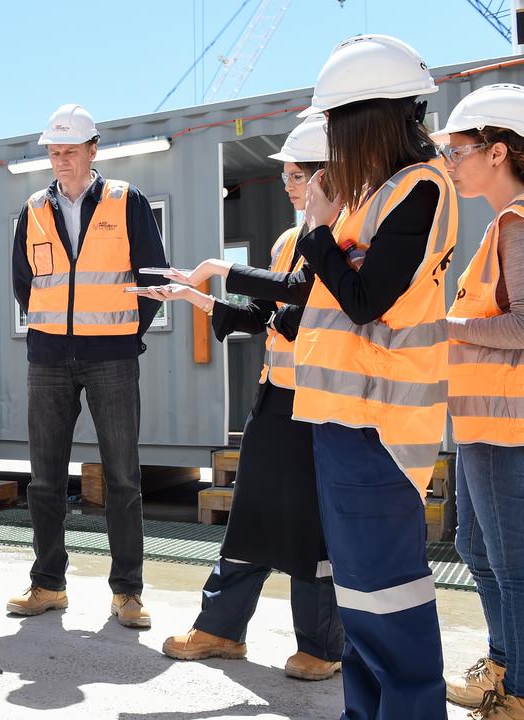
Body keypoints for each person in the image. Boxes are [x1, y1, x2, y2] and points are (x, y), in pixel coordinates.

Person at [282, 34, 456, 718]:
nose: (328, 140)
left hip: (380, 429)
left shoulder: (419, 187)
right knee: (360, 601)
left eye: (332, 123)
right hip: (340, 423)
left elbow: (366, 301)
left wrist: (320, 232)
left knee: (389, 597)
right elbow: (325, 303)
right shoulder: (373, 195)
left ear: (366, 118)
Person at [139, 115, 344, 682]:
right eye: (287, 173)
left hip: (326, 404)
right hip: (276, 400)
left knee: (311, 525)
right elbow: (261, 317)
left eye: (299, 173)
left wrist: (223, 268)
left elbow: (304, 311)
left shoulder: (345, 237)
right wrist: (192, 296)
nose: (287, 182)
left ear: (331, 177)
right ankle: (222, 628)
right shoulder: (286, 241)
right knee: (249, 512)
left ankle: (322, 645)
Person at [7, 103, 168, 628]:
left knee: (122, 477)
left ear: (92, 150)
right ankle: (48, 584)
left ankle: (128, 593)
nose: (60, 162)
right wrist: (52, 332)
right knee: (45, 479)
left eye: (69, 152)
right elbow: (23, 284)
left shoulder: (127, 201)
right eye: (53, 153)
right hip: (48, 358)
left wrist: (123, 333)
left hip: (112, 359)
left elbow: (153, 280)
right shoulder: (32, 208)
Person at [435, 83, 524, 718]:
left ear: (497, 152)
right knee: (475, 549)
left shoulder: (517, 224)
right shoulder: (500, 226)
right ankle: (502, 665)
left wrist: (450, 329)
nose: (451, 162)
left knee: (511, 560)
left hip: (504, 423)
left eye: (459, 149)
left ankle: (517, 692)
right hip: (478, 421)